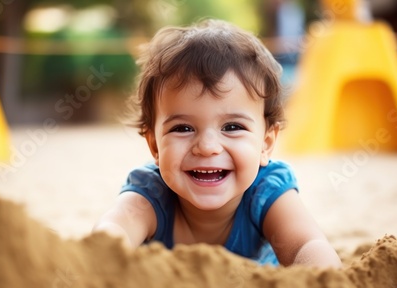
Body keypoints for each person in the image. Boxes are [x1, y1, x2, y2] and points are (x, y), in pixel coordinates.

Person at [93, 19, 342, 268]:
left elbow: (307, 245)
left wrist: (321, 282)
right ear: (155, 146)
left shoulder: (266, 191)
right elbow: (114, 231)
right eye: (183, 128)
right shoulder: (151, 193)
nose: (208, 147)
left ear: (265, 144)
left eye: (232, 127)